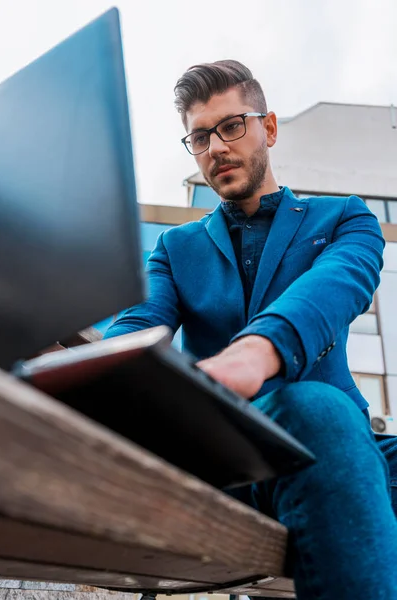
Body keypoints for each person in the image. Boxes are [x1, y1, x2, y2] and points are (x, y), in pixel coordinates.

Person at [104, 60, 397, 599]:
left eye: (232, 125)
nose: (215, 146)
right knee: (316, 408)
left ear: (270, 127)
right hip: (233, 457)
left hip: (348, 446)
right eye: (199, 136)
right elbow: (136, 328)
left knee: (339, 426)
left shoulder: (344, 218)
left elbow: (339, 283)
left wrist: (255, 353)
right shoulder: (174, 248)